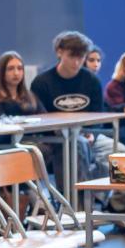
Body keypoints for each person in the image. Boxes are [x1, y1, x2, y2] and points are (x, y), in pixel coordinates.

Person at [30, 30, 115, 180]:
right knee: (76, 145)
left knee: (118, 149)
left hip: (87, 133)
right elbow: (39, 119)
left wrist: (92, 134)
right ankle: (77, 193)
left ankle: (101, 193)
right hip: (53, 138)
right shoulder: (42, 82)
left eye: (80, 57)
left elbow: (98, 116)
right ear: (59, 52)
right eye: (71, 56)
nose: (76, 62)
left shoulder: (92, 81)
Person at [0, 52, 44, 118]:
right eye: (10, 69)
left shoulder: (30, 96)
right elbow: (0, 120)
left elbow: (44, 117)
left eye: (19, 68)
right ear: (2, 72)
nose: (16, 73)